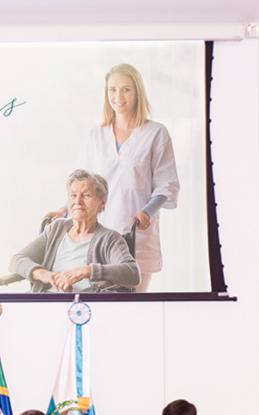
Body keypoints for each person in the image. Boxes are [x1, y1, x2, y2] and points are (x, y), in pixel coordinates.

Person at [49, 64, 180, 292]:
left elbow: (166, 184)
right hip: (97, 234)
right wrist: (64, 210)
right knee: (95, 299)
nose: (118, 96)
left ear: (137, 92)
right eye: (112, 89)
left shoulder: (156, 133)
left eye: (126, 89)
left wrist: (147, 212)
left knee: (132, 300)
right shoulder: (96, 135)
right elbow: (81, 183)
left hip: (136, 233)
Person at [9, 169, 139, 293]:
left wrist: (87, 271)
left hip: (84, 304)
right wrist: (46, 275)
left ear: (102, 203)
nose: (77, 201)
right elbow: (17, 260)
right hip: (46, 300)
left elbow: (133, 273)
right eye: (73, 195)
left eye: (86, 195)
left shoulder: (109, 238)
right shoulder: (57, 228)